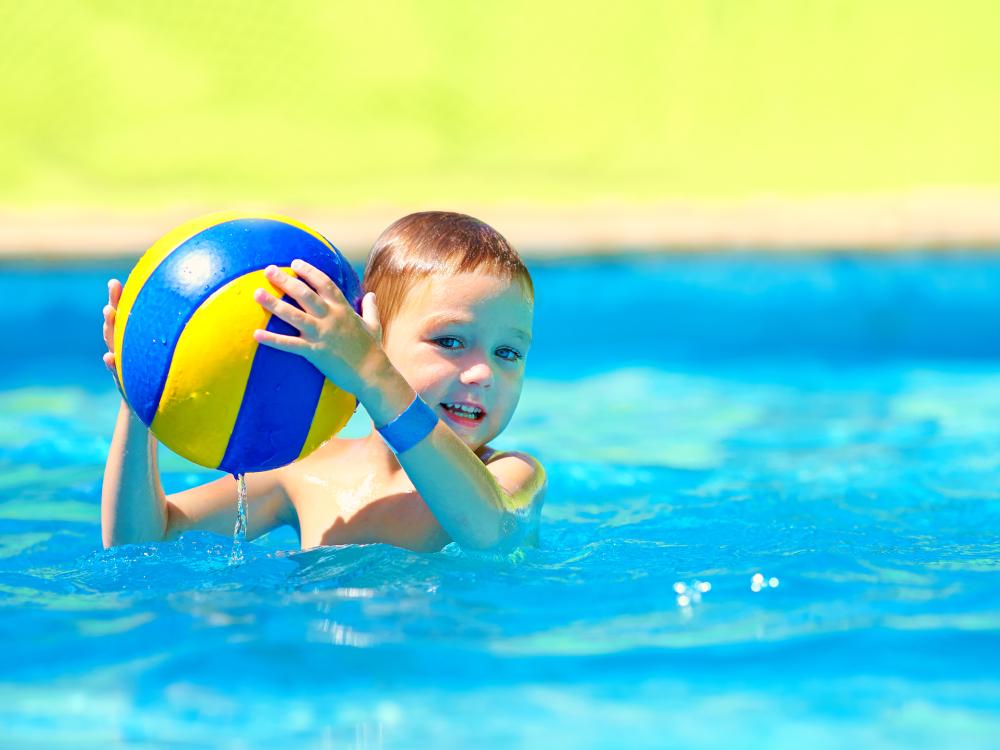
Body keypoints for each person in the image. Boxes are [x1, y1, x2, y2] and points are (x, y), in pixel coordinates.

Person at [100, 211, 545, 552]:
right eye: (450, 341)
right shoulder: (306, 469)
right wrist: (141, 394)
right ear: (371, 336)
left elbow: (490, 533)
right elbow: (143, 545)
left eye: (508, 352)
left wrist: (374, 378)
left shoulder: (510, 474)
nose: (483, 372)